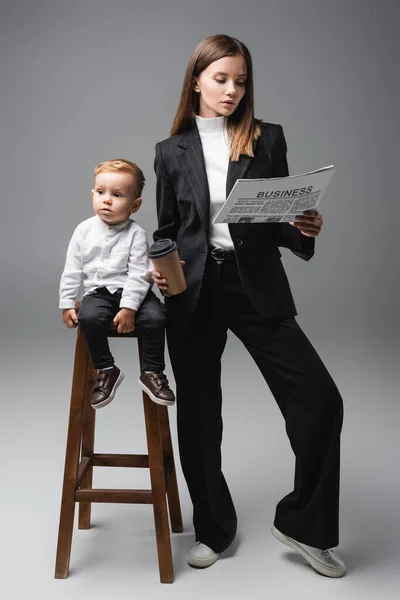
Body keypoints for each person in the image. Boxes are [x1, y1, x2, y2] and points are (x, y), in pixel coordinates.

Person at [152, 35, 346, 577]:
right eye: (221, 79)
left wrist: (304, 227)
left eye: (241, 81)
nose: (233, 90)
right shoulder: (171, 151)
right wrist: (158, 266)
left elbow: (278, 218)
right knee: (198, 416)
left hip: (254, 282)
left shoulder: (266, 138)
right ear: (196, 80)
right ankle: (214, 528)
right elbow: (167, 229)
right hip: (191, 291)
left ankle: (305, 526)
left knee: (321, 401)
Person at [59, 158, 175, 409]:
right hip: (100, 292)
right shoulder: (83, 230)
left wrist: (129, 309)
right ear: (93, 194)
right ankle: (106, 369)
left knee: (156, 318)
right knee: (89, 317)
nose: (107, 200)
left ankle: (152, 372)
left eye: (117, 195)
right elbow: (72, 269)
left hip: (136, 293)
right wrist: (67, 303)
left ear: (135, 205)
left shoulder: (136, 234)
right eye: (100, 192)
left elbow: (139, 274)